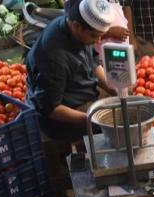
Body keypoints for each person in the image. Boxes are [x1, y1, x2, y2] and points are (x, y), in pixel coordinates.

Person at [26, 0, 117, 141]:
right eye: (94, 36)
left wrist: (113, 88)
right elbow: (50, 109)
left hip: (81, 91)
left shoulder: (76, 29)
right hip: (61, 119)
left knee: (123, 98)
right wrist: (92, 119)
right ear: (76, 26)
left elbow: (92, 63)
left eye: (101, 35)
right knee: (118, 122)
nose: (98, 41)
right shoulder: (54, 57)